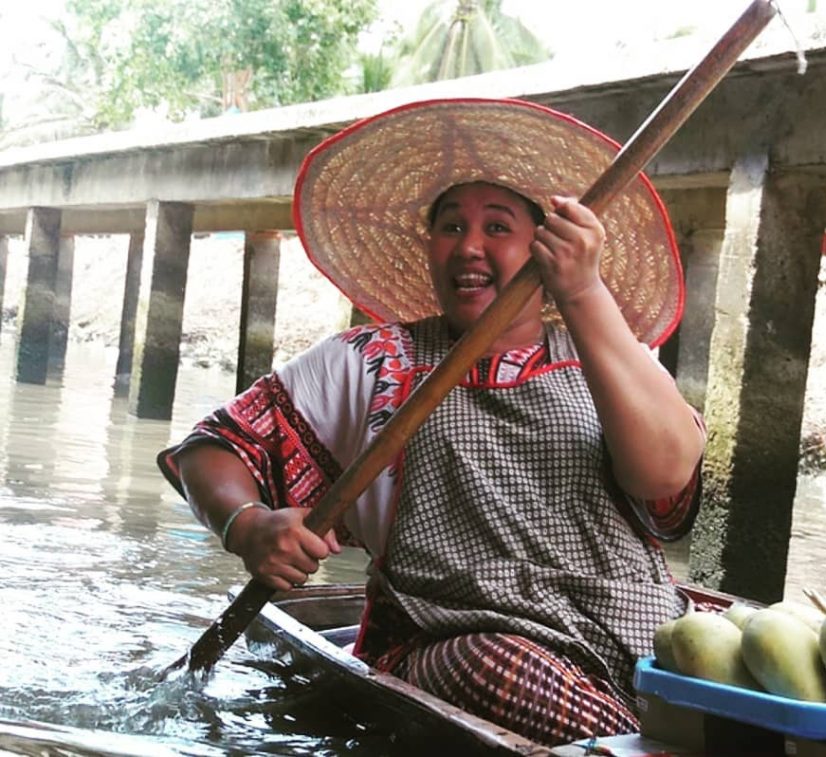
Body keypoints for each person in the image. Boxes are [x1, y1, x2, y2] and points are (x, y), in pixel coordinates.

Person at [158, 98, 706, 746]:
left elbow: (666, 477)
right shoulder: (375, 360)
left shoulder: (610, 355)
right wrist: (245, 524)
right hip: (452, 647)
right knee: (501, 667)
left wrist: (583, 293)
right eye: (451, 226)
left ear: (546, 245)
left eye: (498, 227)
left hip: (635, 639)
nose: (469, 246)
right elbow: (212, 448)